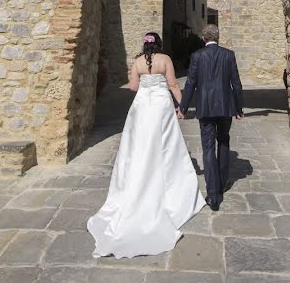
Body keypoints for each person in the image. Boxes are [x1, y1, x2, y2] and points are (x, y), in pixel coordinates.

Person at [88, 32, 205, 259]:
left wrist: (144, 81)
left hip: (142, 106)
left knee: (138, 144)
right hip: (160, 105)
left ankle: (140, 170)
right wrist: (183, 106)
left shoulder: (138, 61)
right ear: (159, 44)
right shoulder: (166, 60)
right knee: (166, 144)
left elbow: (132, 87)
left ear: (144, 44)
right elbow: (172, 84)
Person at [178, 24, 244, 211]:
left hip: (205, 107)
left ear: (204, 38)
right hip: (225, 107)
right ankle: (222, 184)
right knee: (223, 142)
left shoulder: (197, 56)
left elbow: (190, 83)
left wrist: (183, 107)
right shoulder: (228, 55)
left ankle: (213, 195)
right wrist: (239, 107)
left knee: (208, 148)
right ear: (218, 37)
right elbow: (236, 83)